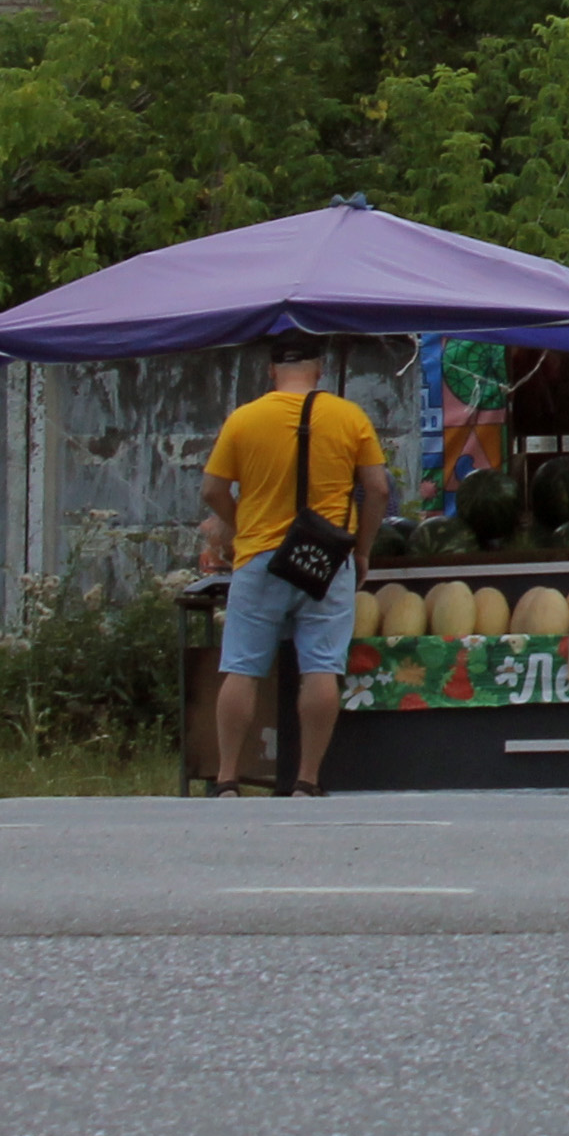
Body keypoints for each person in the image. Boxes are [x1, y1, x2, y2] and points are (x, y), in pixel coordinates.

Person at [199, 340, 389, 797]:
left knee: (242, 666)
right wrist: (362, 551)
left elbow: (211, 490)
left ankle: (226, 779)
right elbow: (378, 489)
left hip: (260, 556)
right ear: (320, 369)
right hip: (327, 558)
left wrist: (242, 523)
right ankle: (307, 779)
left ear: (270, 371)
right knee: (321, 667)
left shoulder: (243, 419)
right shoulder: (350, 417)